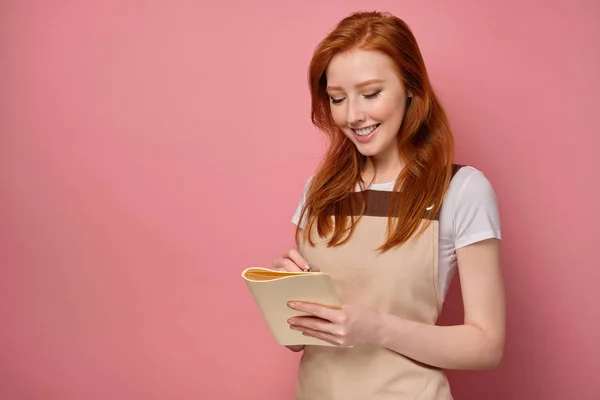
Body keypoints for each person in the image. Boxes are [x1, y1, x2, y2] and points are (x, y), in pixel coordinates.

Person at [270, 10, 505, 399]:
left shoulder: (461, 191)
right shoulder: (320, 189)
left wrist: (376, 328)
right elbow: (298, 341)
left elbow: (487, 345)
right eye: (337, 99)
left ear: (411, 87)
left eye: (371, 93)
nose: (353, 115)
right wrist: (286, 293)